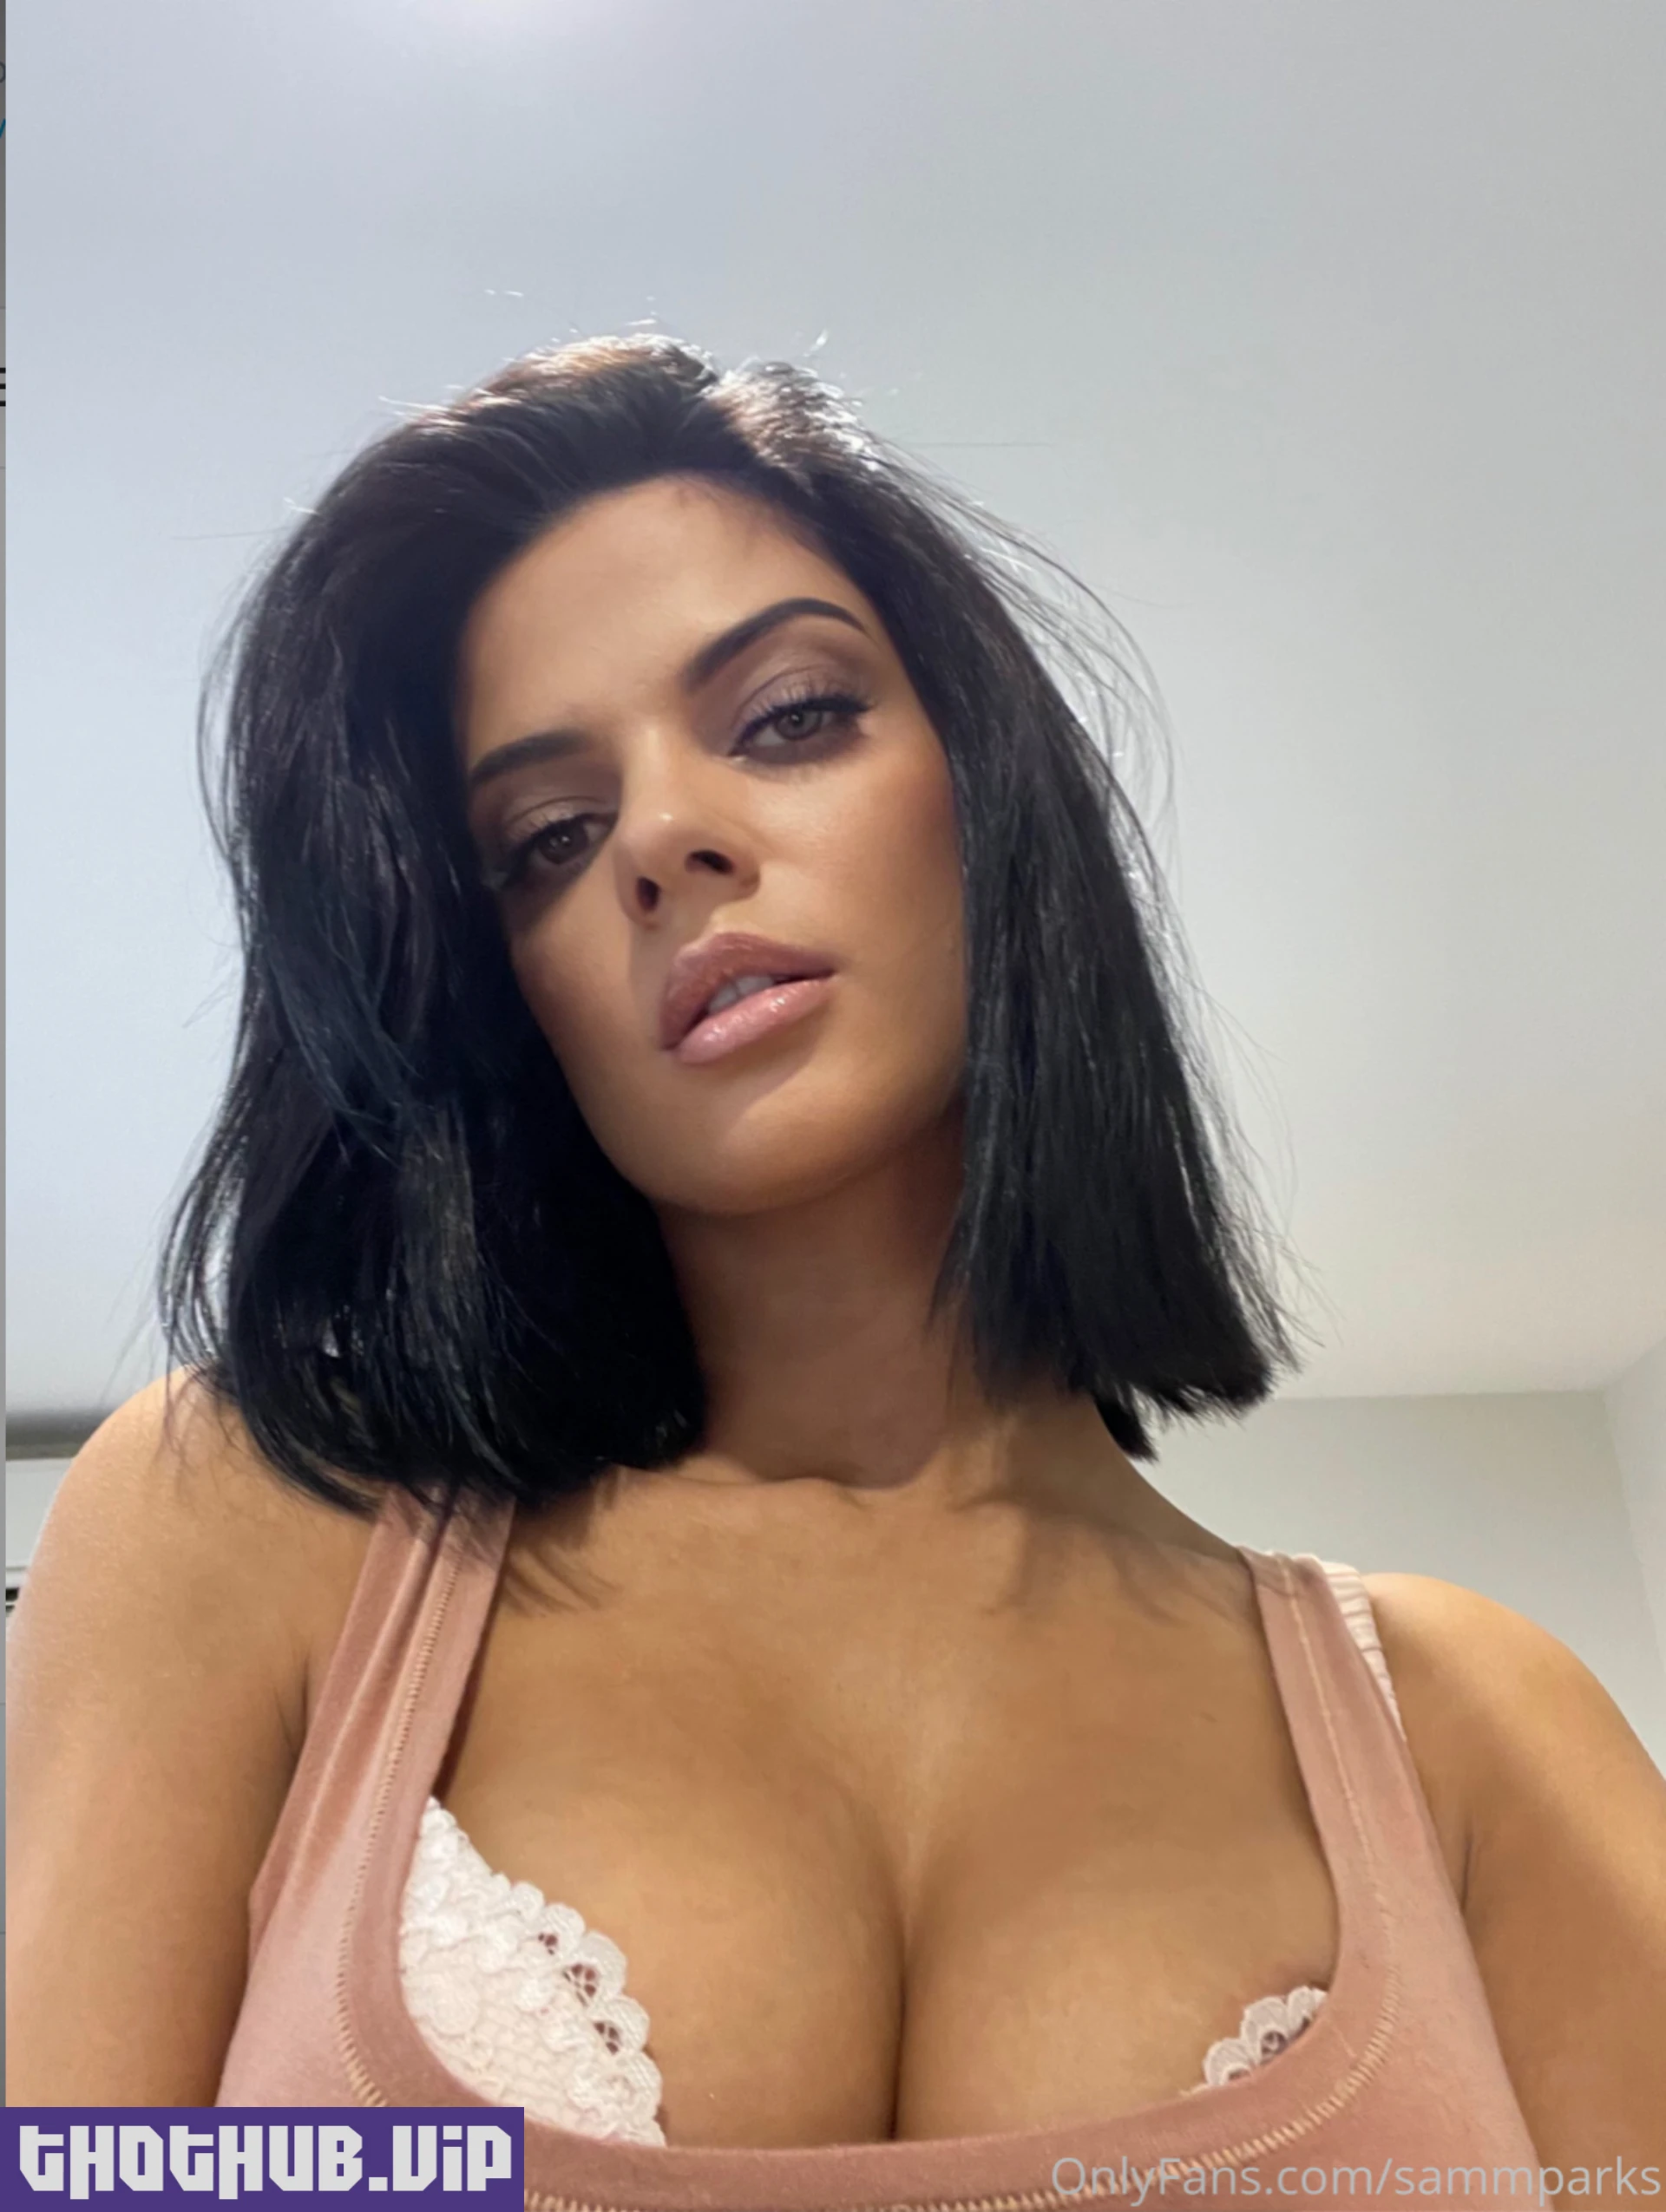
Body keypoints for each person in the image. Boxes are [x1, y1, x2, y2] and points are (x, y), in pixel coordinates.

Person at [9, 335, 1663, 2207]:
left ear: (989, 786)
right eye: (548, 839)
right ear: (505, 988)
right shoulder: (256, 1531)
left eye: (789, 715)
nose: (661, 839)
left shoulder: (1477, 1732)